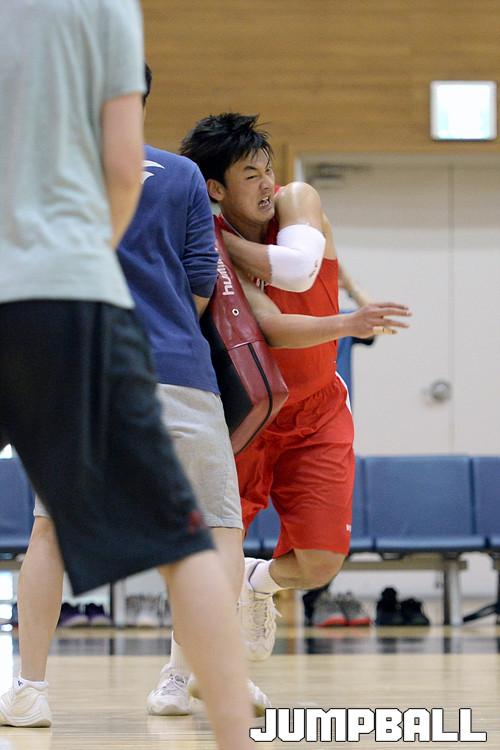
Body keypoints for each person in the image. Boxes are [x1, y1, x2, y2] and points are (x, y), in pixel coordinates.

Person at [0, 7, 253, 749]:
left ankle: (31, 688)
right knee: (209, 532)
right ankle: (206, 697)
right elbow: (203, 284)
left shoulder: (38, 167)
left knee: (51, 529)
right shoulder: (182, 174)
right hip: (174, 366)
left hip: (63, 355)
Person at [180, 112, 411, 663]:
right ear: (215, 189)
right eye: (250, 175)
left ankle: (258, 582)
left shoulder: (296, 198)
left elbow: (298, 270)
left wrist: (223, 247)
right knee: (209, 550)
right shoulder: (206, 242)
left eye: (267, 169)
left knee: (319, 563)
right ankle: (181, 672)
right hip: (251, 414)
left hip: (318, 410)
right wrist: (346, 323)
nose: (267, 183)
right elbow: (271, 326)